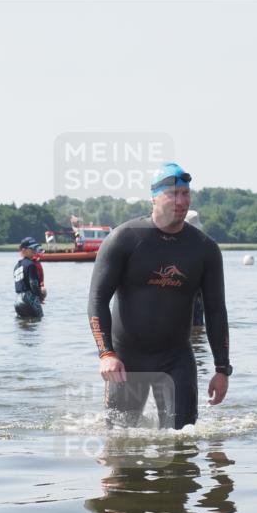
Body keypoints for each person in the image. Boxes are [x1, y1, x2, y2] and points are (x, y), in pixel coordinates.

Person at [87, 162, 230, 429]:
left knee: (182, 443)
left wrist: (222, 369)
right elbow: (97, 299)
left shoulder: (204, 249)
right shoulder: (124, 239)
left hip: (176, 358)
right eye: (173, 194)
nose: (181, 201)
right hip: (127, 359)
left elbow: (216, 311)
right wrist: (106, 353)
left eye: (186, 194)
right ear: (154, 197)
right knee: (121, 447)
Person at [14, 238, 44, 318]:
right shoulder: (31, 265)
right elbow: (33, 284)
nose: (35, 250)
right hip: (29, 300)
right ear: (24, 250)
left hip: (17, 301)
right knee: (38, 321)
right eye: (32, 248)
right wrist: (40, 295)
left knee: (23, 325)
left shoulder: (16, 266)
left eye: (35, 248)